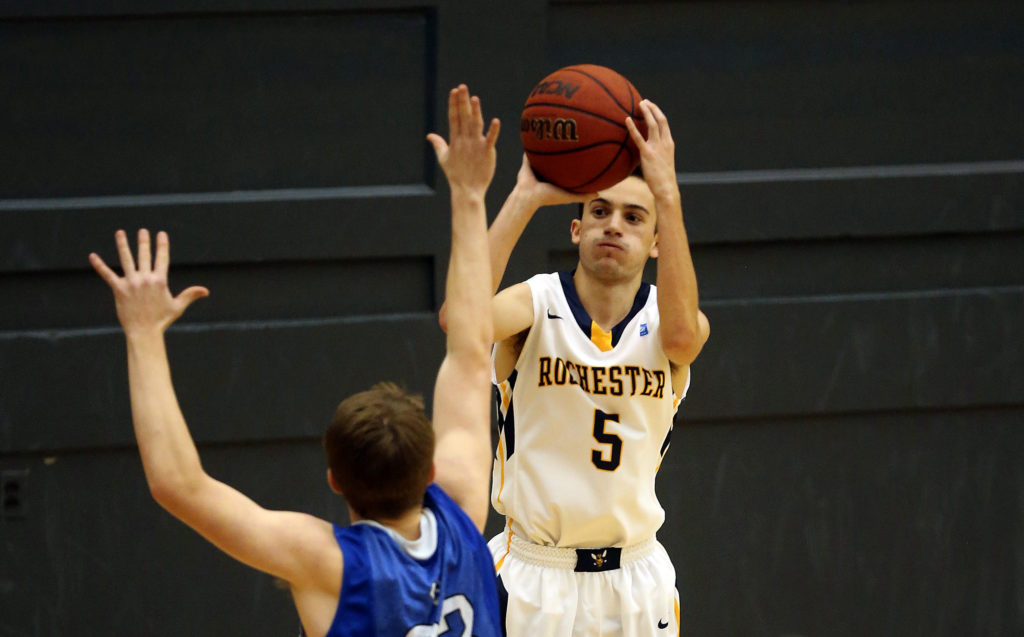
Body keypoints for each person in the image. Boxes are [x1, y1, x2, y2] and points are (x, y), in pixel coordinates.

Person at [89, 84, 503, 637]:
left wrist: (142, 333)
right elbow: (473, 351)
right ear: (430, 471)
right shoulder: (464, 508)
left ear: (334, 479)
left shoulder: (326, 563)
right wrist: (470, 196)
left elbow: (178, 485)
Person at [446, 98, 710, 635]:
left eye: (634, 217)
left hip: (634, 577)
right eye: (599, 211)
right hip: (535, 574)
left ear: (657, 242)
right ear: (575, 228)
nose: (613, 225)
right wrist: (522, 197)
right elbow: (459, 318)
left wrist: (668, 193)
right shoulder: (536, 304)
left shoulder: (669, 322)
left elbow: (683, 339)